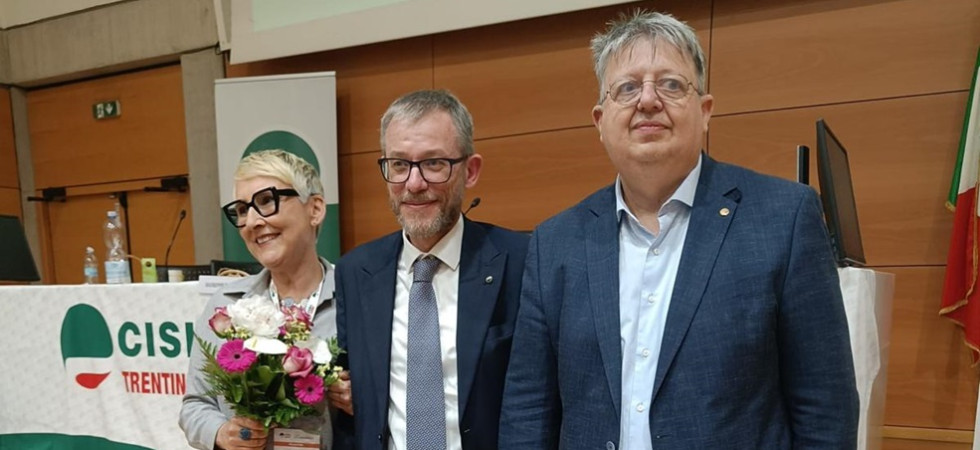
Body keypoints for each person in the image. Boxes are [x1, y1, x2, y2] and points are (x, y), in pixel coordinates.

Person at [499, 10, 859, 449]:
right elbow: (528, 409)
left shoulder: (784, 218)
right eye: (627, 88)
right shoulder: (555, 243)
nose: (648, 100)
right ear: (600, 121)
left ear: (705, 111)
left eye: (670, 84)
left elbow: (826, 408)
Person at [332, 89, 529, 450]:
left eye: (434, 163)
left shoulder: (521, 261)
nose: (414, 184)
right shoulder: (355, 272)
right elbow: (351, 399)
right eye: (399, 165)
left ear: (470, 171)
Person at [180, 149, 346, 450]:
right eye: (242, 210)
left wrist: (363, 399)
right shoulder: (225, 307)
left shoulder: (354, 300)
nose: (251, 222)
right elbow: (195, 405)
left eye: (267, 201)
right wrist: (221, 432)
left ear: (315, 209)